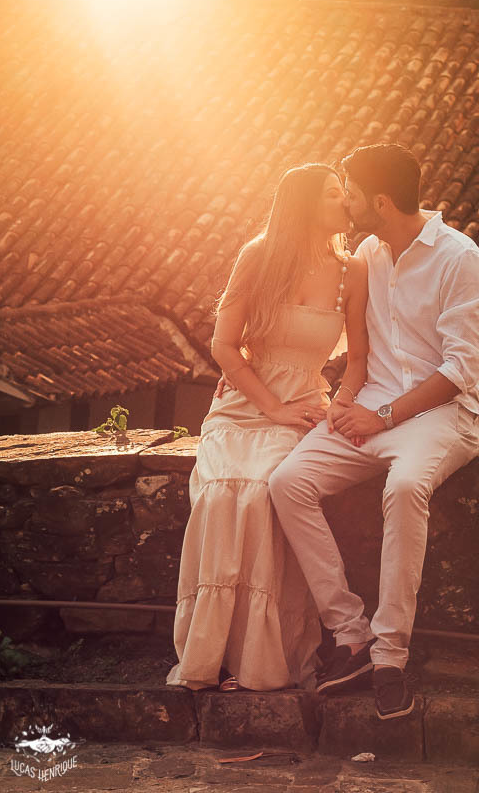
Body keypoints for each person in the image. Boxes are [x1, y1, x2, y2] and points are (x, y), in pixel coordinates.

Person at [269, 143, 479, 719]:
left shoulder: (460, 259)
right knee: (287, 482)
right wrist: (342, 401)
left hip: (444, 415)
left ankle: (392, 656)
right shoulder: (369, 252)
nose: (342, 201)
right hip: (370, 405)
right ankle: (354, 638)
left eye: (347, 191)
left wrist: (385, 416)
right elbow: (360, 348)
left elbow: (459, 369)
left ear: (378, 200)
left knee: (403, 489)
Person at [166, 163, 368, 693]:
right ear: (304, 203)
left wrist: (339, 406)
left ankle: (262, 656)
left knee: (262, 492)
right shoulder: (259, 255)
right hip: (244, 402)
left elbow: (360, 360)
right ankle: (211, 654)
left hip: (304, 403)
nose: (344, 203)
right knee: (217, 495)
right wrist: (269, 405)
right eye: (331, 195)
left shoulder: (352, 270)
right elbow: (224, 345)